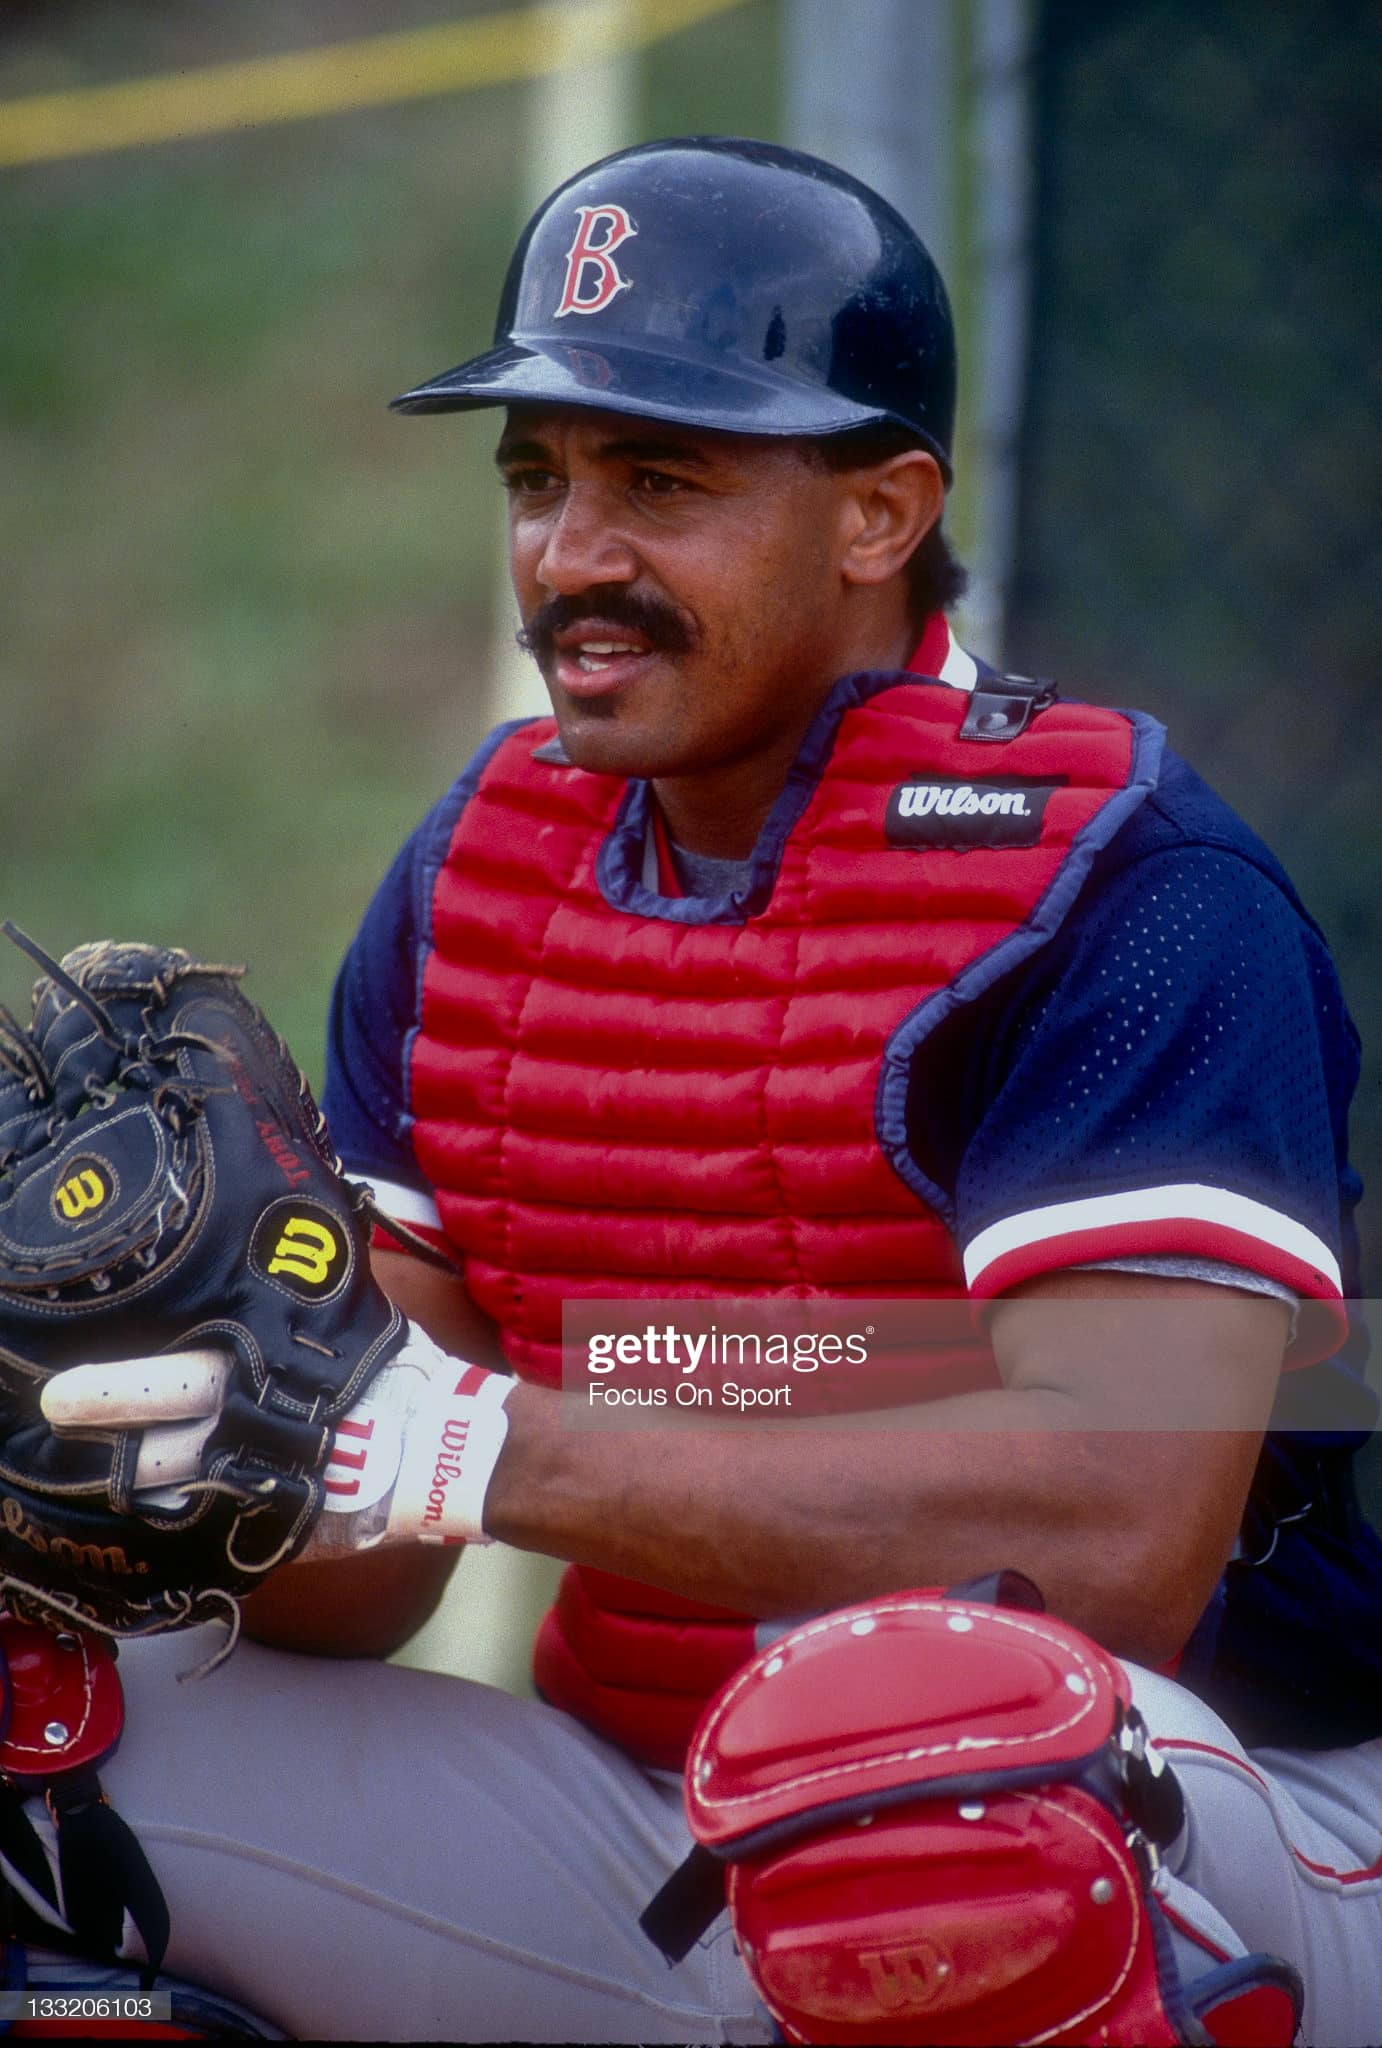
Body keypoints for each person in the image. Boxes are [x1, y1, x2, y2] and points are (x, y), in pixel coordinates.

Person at [16, 137, 1382, 2043]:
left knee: (918, 1750)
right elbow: (366, 1571)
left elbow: (1110, 1545)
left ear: (880, 512)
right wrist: (163, 1467)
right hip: (658, 1833)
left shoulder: (1125, 893)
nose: (571, 555)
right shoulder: (479, 876)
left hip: (1224, 1816)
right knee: (38, 1733)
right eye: (536, 481)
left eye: (659, 481)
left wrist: (469, 1442)